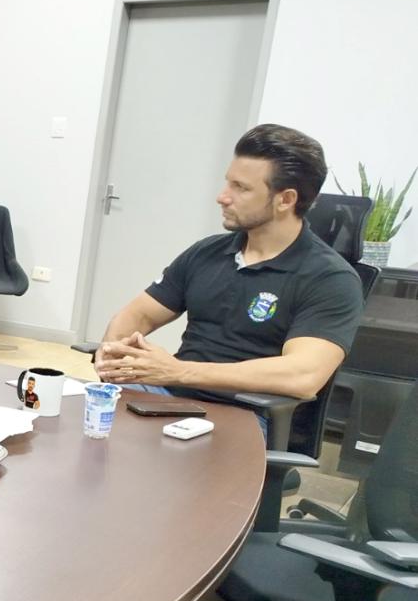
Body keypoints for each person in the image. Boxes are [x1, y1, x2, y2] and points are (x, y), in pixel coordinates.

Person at [93, 124, 364, 404]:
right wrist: (111, 349)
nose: (222, 197)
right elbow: (139, 314)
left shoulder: (330, 279)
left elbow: (303, 376)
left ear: (285, 199)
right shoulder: (207, 252)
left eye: (241, 188)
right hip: (170, 398)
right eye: (228, 182)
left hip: (246, 414)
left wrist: (179, 371)